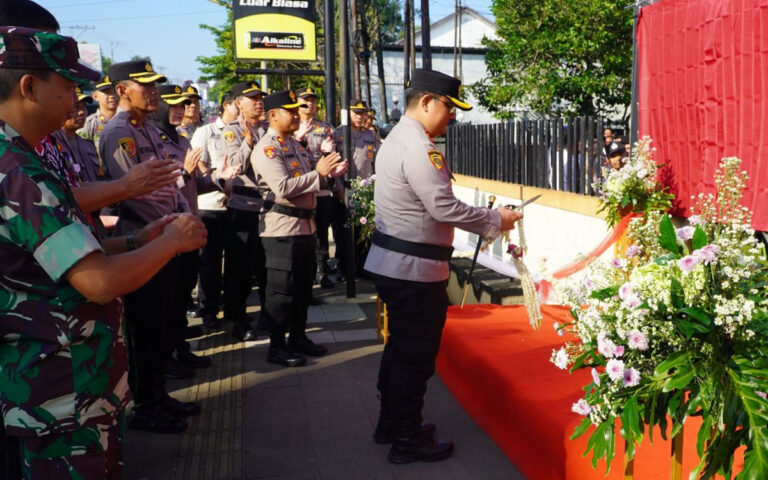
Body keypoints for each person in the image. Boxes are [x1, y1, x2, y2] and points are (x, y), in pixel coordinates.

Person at [0, 26, 207, 479]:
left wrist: (136, 241)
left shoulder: (21, 158)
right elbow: (98, 281)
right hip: (58, 394)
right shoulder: (19, 170)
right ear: (29, 87)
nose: (79, 98)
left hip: (65, 386)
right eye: (68, 85)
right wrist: (173, 240)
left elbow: (54, 256)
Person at [363, 68, 522, 464]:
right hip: (412, 270)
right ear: (427, 102)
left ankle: (392, 424)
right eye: (449, 107)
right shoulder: (419, 147)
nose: (452, 116)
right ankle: (406, 438)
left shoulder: (399, 138)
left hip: (400, 265)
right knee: (414, 357)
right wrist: (494, 221)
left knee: (400, 351)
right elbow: (443, 207)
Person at [100, 60, 201, 434]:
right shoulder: (119, 133)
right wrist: (172, 222)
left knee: (162, 322)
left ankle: (158, 396)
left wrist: (181, 215)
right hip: (143, 238)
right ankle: (145, 405)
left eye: (155, 83)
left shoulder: (149, 132)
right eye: (145, 85)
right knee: (144, 327)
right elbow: (133, 194)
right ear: (123, 90)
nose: (154, 90)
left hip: (164, 237)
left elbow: (169, 183)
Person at [251, 90, 348, 367]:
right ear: (273, 115)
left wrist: (329, 177)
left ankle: (298, 336)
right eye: (290, 111)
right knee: (282, 290)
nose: (297, 114)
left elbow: (312, 184)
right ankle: (277, 345)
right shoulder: (268, 148)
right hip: (281, 228)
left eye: (297, 110)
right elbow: (281, 187)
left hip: (305, 225)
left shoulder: (295, 144)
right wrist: (318, 173)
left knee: (304, 288)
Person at [148, 84, 231, 378]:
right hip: (166, 232)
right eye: (173, 105)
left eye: (182, 105)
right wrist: (184, 171)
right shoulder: (154, 142)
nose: (179, 110)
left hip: (189, 228)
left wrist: (220, 180)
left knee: (182, 295)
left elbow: (194, 183)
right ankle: (167, 357)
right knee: (167, 302)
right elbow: (159, 189)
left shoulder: (181, 139)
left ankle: (180, 349)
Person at [222, 81, 269, 341]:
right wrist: (248, 143)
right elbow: (234, 167)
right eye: (253, 99)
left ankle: (267, 316)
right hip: (242, 208)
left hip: (265, 208)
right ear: (239, 104)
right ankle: (238, 319)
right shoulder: (231, 132)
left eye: (261, 98)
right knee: (239, 269)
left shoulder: (267, 130)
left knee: (264, 266)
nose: (259, 102)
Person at [190, 89, 240, 330]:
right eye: (236, 105)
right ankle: (208, 310)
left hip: (238, 205)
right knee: (209, 263)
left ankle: (231, 308)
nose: (240, 109)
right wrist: (218, 178)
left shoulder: (244, 132)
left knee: (235, 262)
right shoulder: (206, 131)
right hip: (211, 204)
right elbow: (198, 164)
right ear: (225, 105)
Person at [293, 86, 336, 289]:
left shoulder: (325, 127)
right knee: (305, 232)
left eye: (312, 100)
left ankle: (322, 271)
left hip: (322, 186)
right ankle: (307, 274)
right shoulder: (290, 125)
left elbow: (332, 155)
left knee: (321, 231)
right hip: (301, 186)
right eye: (305, 100)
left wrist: (327, 153)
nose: (310, 104)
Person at [78, 75, 117, 150]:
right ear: (95, 96)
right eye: (107, 92)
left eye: (114, 92)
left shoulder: (128, 120)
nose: (112, 96)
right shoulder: (89, 125)